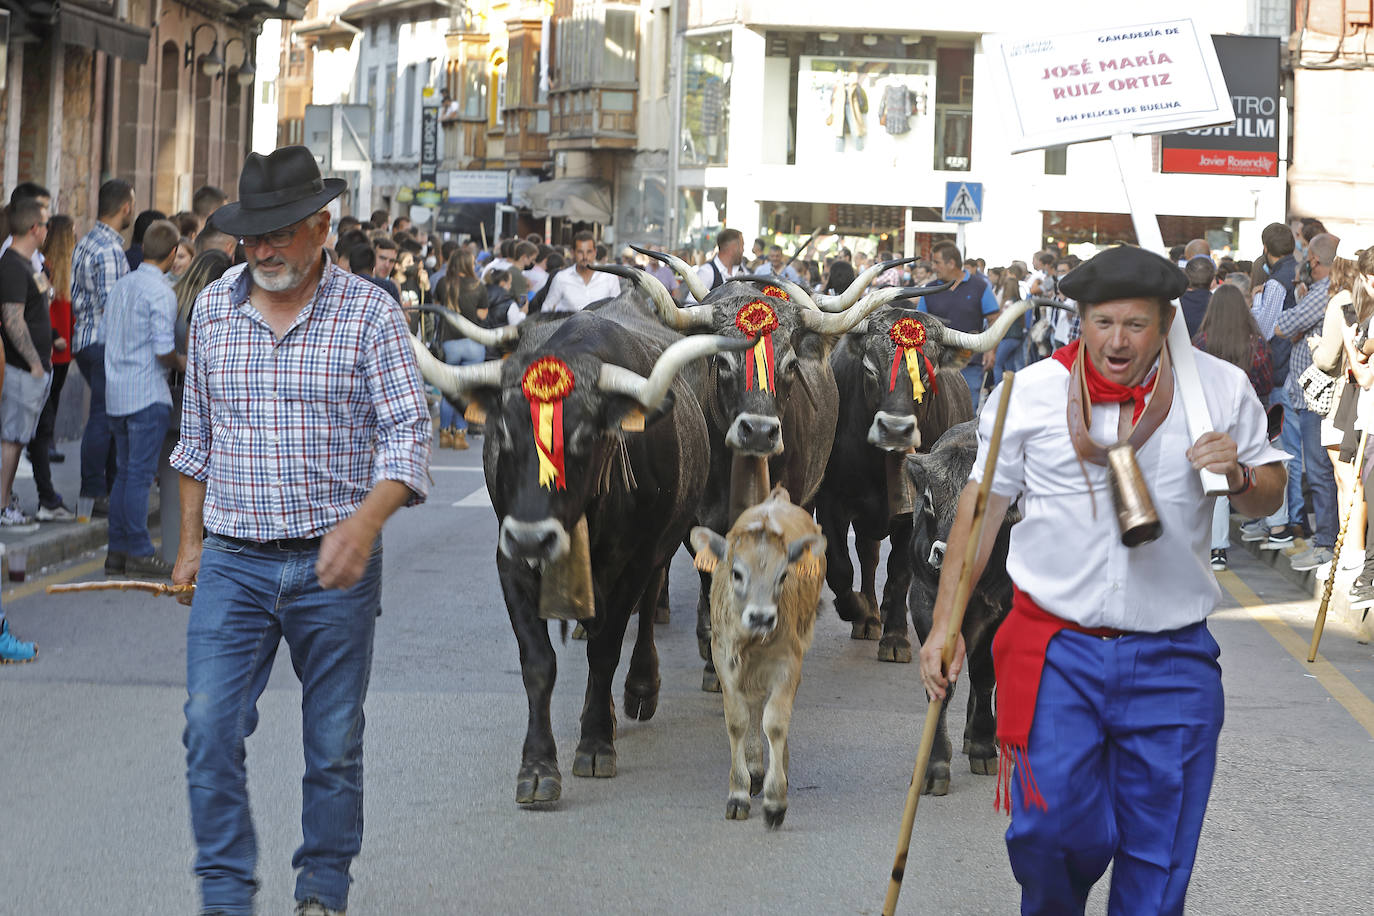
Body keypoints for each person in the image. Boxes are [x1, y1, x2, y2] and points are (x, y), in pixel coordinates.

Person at [920, 245, 1287, 916]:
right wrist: (945, 627)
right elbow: (980, 511)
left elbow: (1268, 493)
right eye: (1104, 322)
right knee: (1049, 834)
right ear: (1081, 320)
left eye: (1136, 325)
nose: (1118, 341)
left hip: (1173, 659)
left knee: (1159, 860)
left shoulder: (1217, 391)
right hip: (1057, 653)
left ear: (1166, 322)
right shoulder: (1029, 393)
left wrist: (1238, 475)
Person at [171, 146, 431, 916]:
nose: (262, 250)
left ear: (321, 227)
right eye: (253, 235)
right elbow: (195, 442)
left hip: (334, 566)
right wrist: (190, 544)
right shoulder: (214, 311)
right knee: (208, 726)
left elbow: (408, 435)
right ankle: (226, 897)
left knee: (333, 742)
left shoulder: (371, 313)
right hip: (234, 561)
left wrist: (364, 524)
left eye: (279, 232)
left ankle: (322, 889)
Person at [103, 218, 184, 577]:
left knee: (125, 474)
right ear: (173, 253)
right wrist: (182, 361)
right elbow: (164, 351)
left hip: (117, 392)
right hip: (147, 392)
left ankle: (117, 551)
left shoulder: (121, 285)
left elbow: (106, 334)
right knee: (138, 476)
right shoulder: (162, 293)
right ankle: (138, 550)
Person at [1194, 283, 1275, 569]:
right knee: (1263, 467)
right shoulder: (1256, 342)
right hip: (1251, 416)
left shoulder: (1201, 342)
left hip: (1211, 416)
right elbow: (1267, 382)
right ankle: (1276, 528)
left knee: (1218, 476)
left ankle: (1217, 549)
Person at [72, 179, 135, 518]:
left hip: (86, 338)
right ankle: (95, 491)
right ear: (126, 207)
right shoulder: (109, 250)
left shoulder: (87, 241)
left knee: (105, 415)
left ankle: (103, 488)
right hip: (102, 342)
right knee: (103, 416)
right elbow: (114, 308)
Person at [0, 197, 54, 530]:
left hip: (32, 368)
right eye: (46, 224)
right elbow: (12, 319)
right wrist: (34, 363)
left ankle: (5, 498)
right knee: (12, 438)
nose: (48, 230)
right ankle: (3, 504)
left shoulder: (26, 263)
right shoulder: (11, 265)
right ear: (35, 228)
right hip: (21, 369)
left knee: (18, 438)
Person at [30, 213, 77, 521]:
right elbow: (43, 310)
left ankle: (46, 450)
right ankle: (45, 496)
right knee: (43, 417)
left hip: (61, 348)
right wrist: (56, 335)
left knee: (51, 409)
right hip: (51, 347)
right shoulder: (44, 266)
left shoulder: (62, 267)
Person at [916, 240, 1000, 410]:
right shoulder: (929, 289)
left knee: (966, 411)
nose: (933, 267)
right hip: (936, 364)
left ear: (951, 263)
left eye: (936, 262)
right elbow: (919, 322)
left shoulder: (980, 287)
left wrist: (991, 350)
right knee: (937, 412)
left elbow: (994, 319)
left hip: (969, 362)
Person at [540, 230, 621, 313]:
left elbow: (618, 309)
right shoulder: (561, 278)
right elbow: (546, 309)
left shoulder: (609, 277)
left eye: (589, 252)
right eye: (580, 252)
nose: (585, 257)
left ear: (595, 252)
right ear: (572, 253)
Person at [686, 227, 746, 301]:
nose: (743, 250)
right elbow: (690, 303)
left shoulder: (742, 270)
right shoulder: (707, 272)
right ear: (733, 247)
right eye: (742, 246)